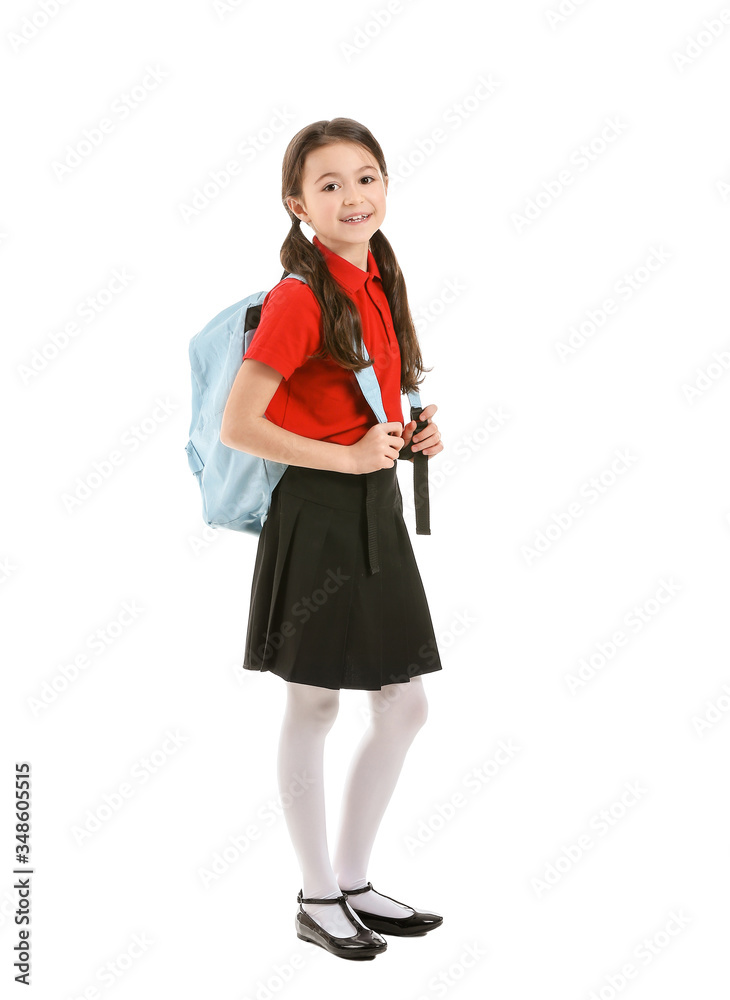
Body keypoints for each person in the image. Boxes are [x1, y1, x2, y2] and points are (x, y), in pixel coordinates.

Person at [220, 118, 445, 961]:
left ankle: (351, 882)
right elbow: (240, 423)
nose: (355, 197)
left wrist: (408, 430)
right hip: (316, 511)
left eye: (367, 177)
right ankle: (317, 896)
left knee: (404, 702)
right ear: (297, 204)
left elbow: (371, 391)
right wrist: (347, 454)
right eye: (330, 184)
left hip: (371, 503)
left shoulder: (376, 275)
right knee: (313, 702)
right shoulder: (299, 294)